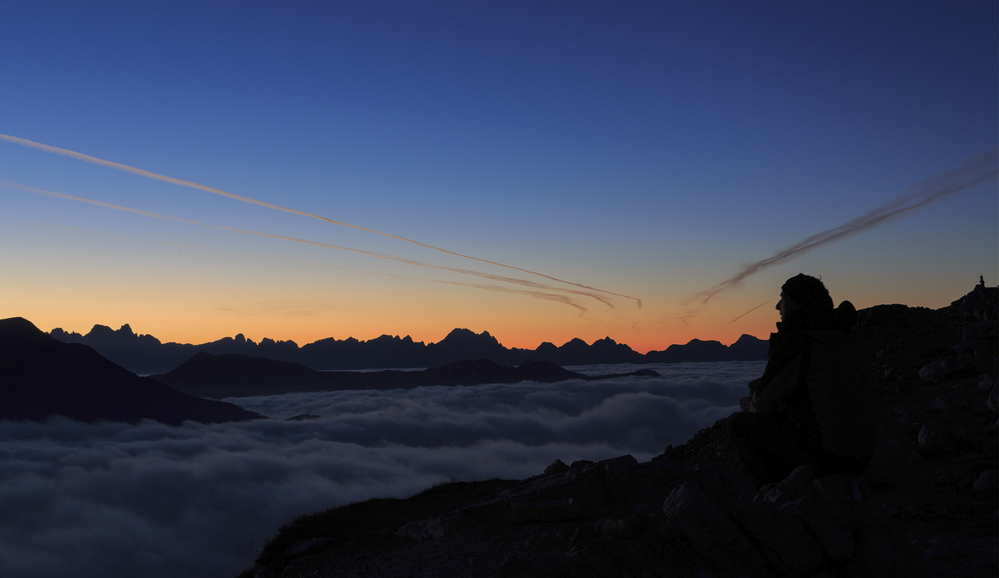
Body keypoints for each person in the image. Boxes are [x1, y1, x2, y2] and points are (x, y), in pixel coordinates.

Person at [728, 274, 878, 485]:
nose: (778, 306)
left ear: (797, 304)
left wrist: (750, 403)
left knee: (739, 424)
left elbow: (760, 405)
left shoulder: (798, 340)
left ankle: (776, 494)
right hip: (864, 453)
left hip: (830, 458)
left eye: (783, 299)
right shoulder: (840, 334)